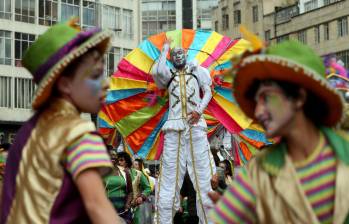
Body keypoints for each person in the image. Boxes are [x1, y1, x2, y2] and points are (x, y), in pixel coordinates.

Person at [209, 40, 349, 223]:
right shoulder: (258, 172)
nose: (258, 111)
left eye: (267, 97)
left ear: (299, 97)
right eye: (257, 100)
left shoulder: (344, 154)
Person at [0, 20, 122, 223]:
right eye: (96, 75)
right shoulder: (78, 132)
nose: (107, 83)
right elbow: (98, 207)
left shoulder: (26, 134)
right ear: (65, 84)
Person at [152, 38, 216, 224]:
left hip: (195, 127)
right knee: (168, 181)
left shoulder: (198, 70)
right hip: (173, 128)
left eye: (181, 53)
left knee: (204, 179)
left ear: (187, 55)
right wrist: (164, 50)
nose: (178, 56)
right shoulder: (167, 74)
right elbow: (157, 70)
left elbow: (208, 91)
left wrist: (199, 111)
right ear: (172, 58)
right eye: (175, 54)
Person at [117, 152, 152, 224]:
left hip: (134, 207)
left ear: (127, 162)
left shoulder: (138, 173)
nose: (119, 162)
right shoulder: (114, 174)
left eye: (121, 160)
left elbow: (148, 188)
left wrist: (142, 197)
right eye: (118, 160)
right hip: (118, 208)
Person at [104, 149, 133, 223]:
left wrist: (127, 204)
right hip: (106, 210)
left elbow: (130, 191)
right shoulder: (101, 172)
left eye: (114, 155)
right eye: (110, 155)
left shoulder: (124, 172)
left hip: (123, 211)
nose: (113, 157)